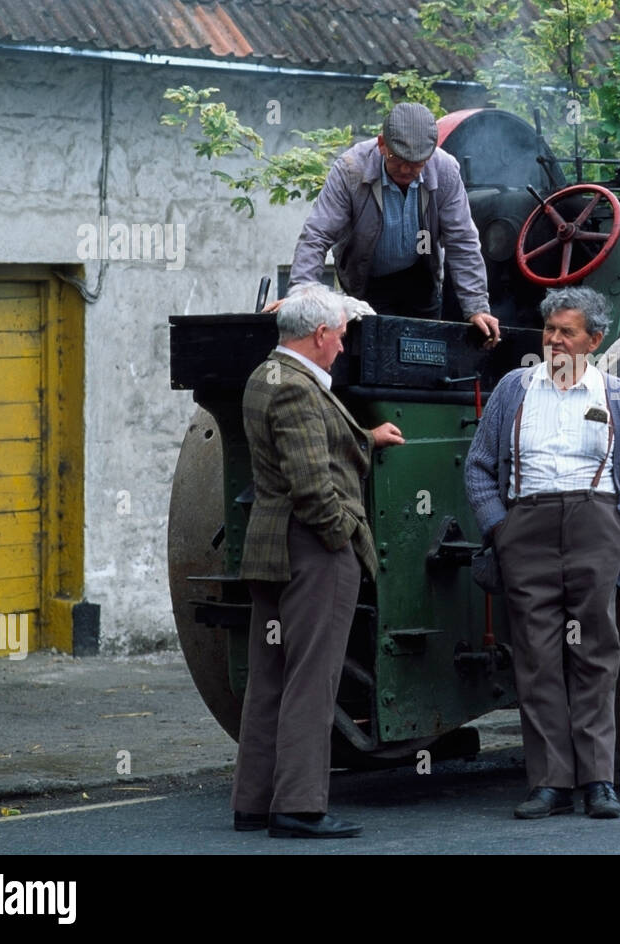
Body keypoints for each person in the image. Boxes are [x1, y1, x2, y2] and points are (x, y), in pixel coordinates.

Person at [464, 287, 620, 819]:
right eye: (550, 329)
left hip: (596, 526)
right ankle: (548, 784)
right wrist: (499, 527)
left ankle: (599, 781)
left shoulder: (619, 397)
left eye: (567, 331)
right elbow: (480, 466)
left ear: (593, 340)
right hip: (524, 528)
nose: (554, 339)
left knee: (595, 654)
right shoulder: (514, 389)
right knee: (536, 655)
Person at [233, 282, 405, 839]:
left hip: (272, 550)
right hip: (312, 550)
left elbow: (312, 445)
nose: (344, 345)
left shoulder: (269, 376)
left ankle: (254, 803)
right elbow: (312, 484)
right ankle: (300, 807)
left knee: (271, 676)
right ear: (320, 334)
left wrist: (365, 436)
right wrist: (344, 536)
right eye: (342, 334)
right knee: (311, 677)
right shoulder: (299, 390)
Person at [276, 101, 502, 347]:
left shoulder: (445, 170)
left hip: (421, 279)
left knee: (422, 355)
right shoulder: (350, 169)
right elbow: (316, 236)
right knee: (368, 357)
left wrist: (477, 308)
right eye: (399, 159)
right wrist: (301, 293)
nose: (406, 169)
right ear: (382, 144)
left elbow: (462, 242)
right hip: (366, 282)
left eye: (417, 162)